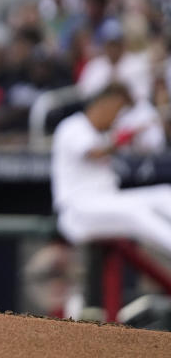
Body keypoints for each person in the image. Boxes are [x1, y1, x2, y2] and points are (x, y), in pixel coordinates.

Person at [52, 82, 171, 256]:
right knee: (137, 212)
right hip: (78, 210)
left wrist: (136, 135)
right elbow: (95, 152)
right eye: (116, 111)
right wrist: (122, 138)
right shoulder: (73, 126)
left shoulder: (104, 132)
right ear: (104, 105)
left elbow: (145, 148)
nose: (116, 118)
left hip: (105, 200)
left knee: (164, 194)